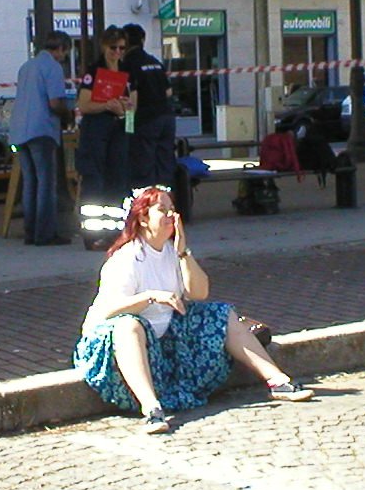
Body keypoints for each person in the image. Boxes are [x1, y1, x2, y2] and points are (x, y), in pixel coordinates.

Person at [73, 185, 313, 434]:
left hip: (162, 339)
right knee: (129, 325)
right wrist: (150, 297)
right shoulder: (127, 258)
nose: (171, 217)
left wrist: (183, 252)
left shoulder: (171, 252)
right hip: (114, 346)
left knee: (221, 314)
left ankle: (277, 381)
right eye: (162, 210)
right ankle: (152, 409)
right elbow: (109, 309)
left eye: (173, 210)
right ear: (143, 219)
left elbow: (199, 292)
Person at [8, 30, 73, 247]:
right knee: (46, 183)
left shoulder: (26, 67)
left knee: (30, 183)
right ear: (61, 49)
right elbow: (55, 103)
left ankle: (30, 232)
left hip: (19, 131)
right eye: (65, 52)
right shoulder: (53, 67)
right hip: (41, 130)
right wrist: (68, 115)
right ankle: (45, 234)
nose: (64, 57)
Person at [75, 26, 134, 250]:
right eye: (113, 48)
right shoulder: (94, 71)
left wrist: (127, 110)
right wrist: (105, 106)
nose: (117, 52)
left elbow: (133, 105)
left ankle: (114, 232)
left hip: (118, 129)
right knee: (95, 182)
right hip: (96, 130)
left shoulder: (126, 72)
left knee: (117, 181)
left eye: (121, 48)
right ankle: (92, 235)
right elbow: (83, 104)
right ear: (103, 47)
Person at [120, 22, 176, 189]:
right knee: (165, 165)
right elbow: (168, 92)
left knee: (142, 167)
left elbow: (131, 99)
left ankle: (145, 208)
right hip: (166, 118)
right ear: (143, 40)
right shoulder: (155, 62)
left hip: (145, 120)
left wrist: (128, 127)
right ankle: (165, 205)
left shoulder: (127, 64)